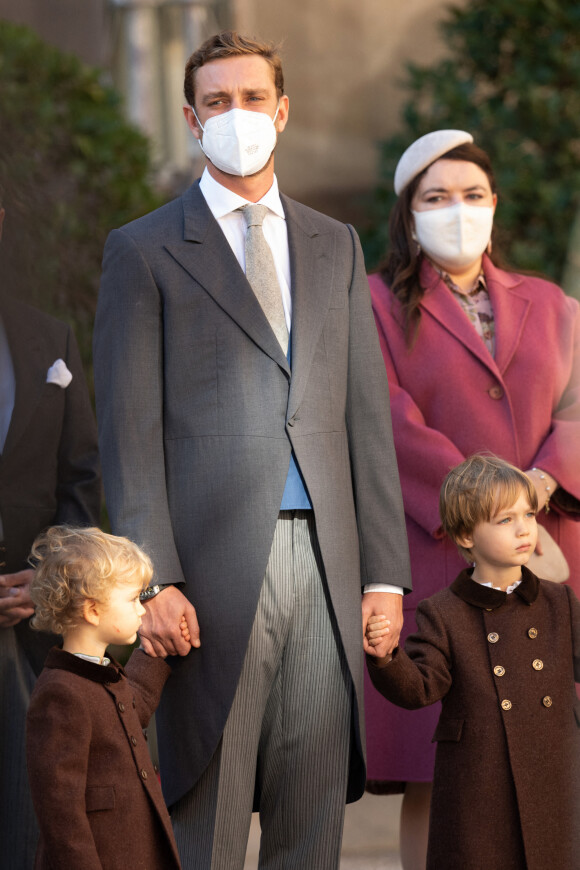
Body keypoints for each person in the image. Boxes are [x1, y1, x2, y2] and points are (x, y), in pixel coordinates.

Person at [93, 29, 411, 870]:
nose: (239, 115)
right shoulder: (143, 248)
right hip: (207, 574)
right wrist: (152, 576)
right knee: (206, 818)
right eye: (218, 103)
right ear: (194, 123)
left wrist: (383, 575)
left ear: (283, 110)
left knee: (311, 823)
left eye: (253, 99)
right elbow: (127, 431)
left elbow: (364, 419)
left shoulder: (334, 242)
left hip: (330, 565)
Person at [364, 129, 580, 869]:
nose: (457, 210)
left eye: (472, 195)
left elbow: (577, 411)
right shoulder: (373, 306)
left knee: (554, 762)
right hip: (444, 561)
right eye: (436, 198)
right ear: (407, 213)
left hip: (550, 557)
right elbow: (386, 421)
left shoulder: (552, 304)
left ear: (496, 205)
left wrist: (541, 485)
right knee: (446, 769)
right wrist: (484, 502)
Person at [366, 455, 580, 870]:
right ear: (466, 535)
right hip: (480, 784)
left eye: (529, 514)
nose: (524, 529)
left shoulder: (559, 602)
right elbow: (420, 688)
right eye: (505, 520)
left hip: (556, 773)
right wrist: (387, 656)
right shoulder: (443, 613)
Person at [0, 194, 102, 869]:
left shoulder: (49, 337)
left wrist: (47, 581)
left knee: (28, 828)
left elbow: (83, 480)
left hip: (28, 639)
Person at [26, 525, 186, 870]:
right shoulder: (60, 693)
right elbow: (60, 811)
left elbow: (131, 708)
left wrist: (153, 653)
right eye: (132, 600)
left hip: (132, 853)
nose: (142, 610)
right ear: (93, 610)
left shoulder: (100, 672)